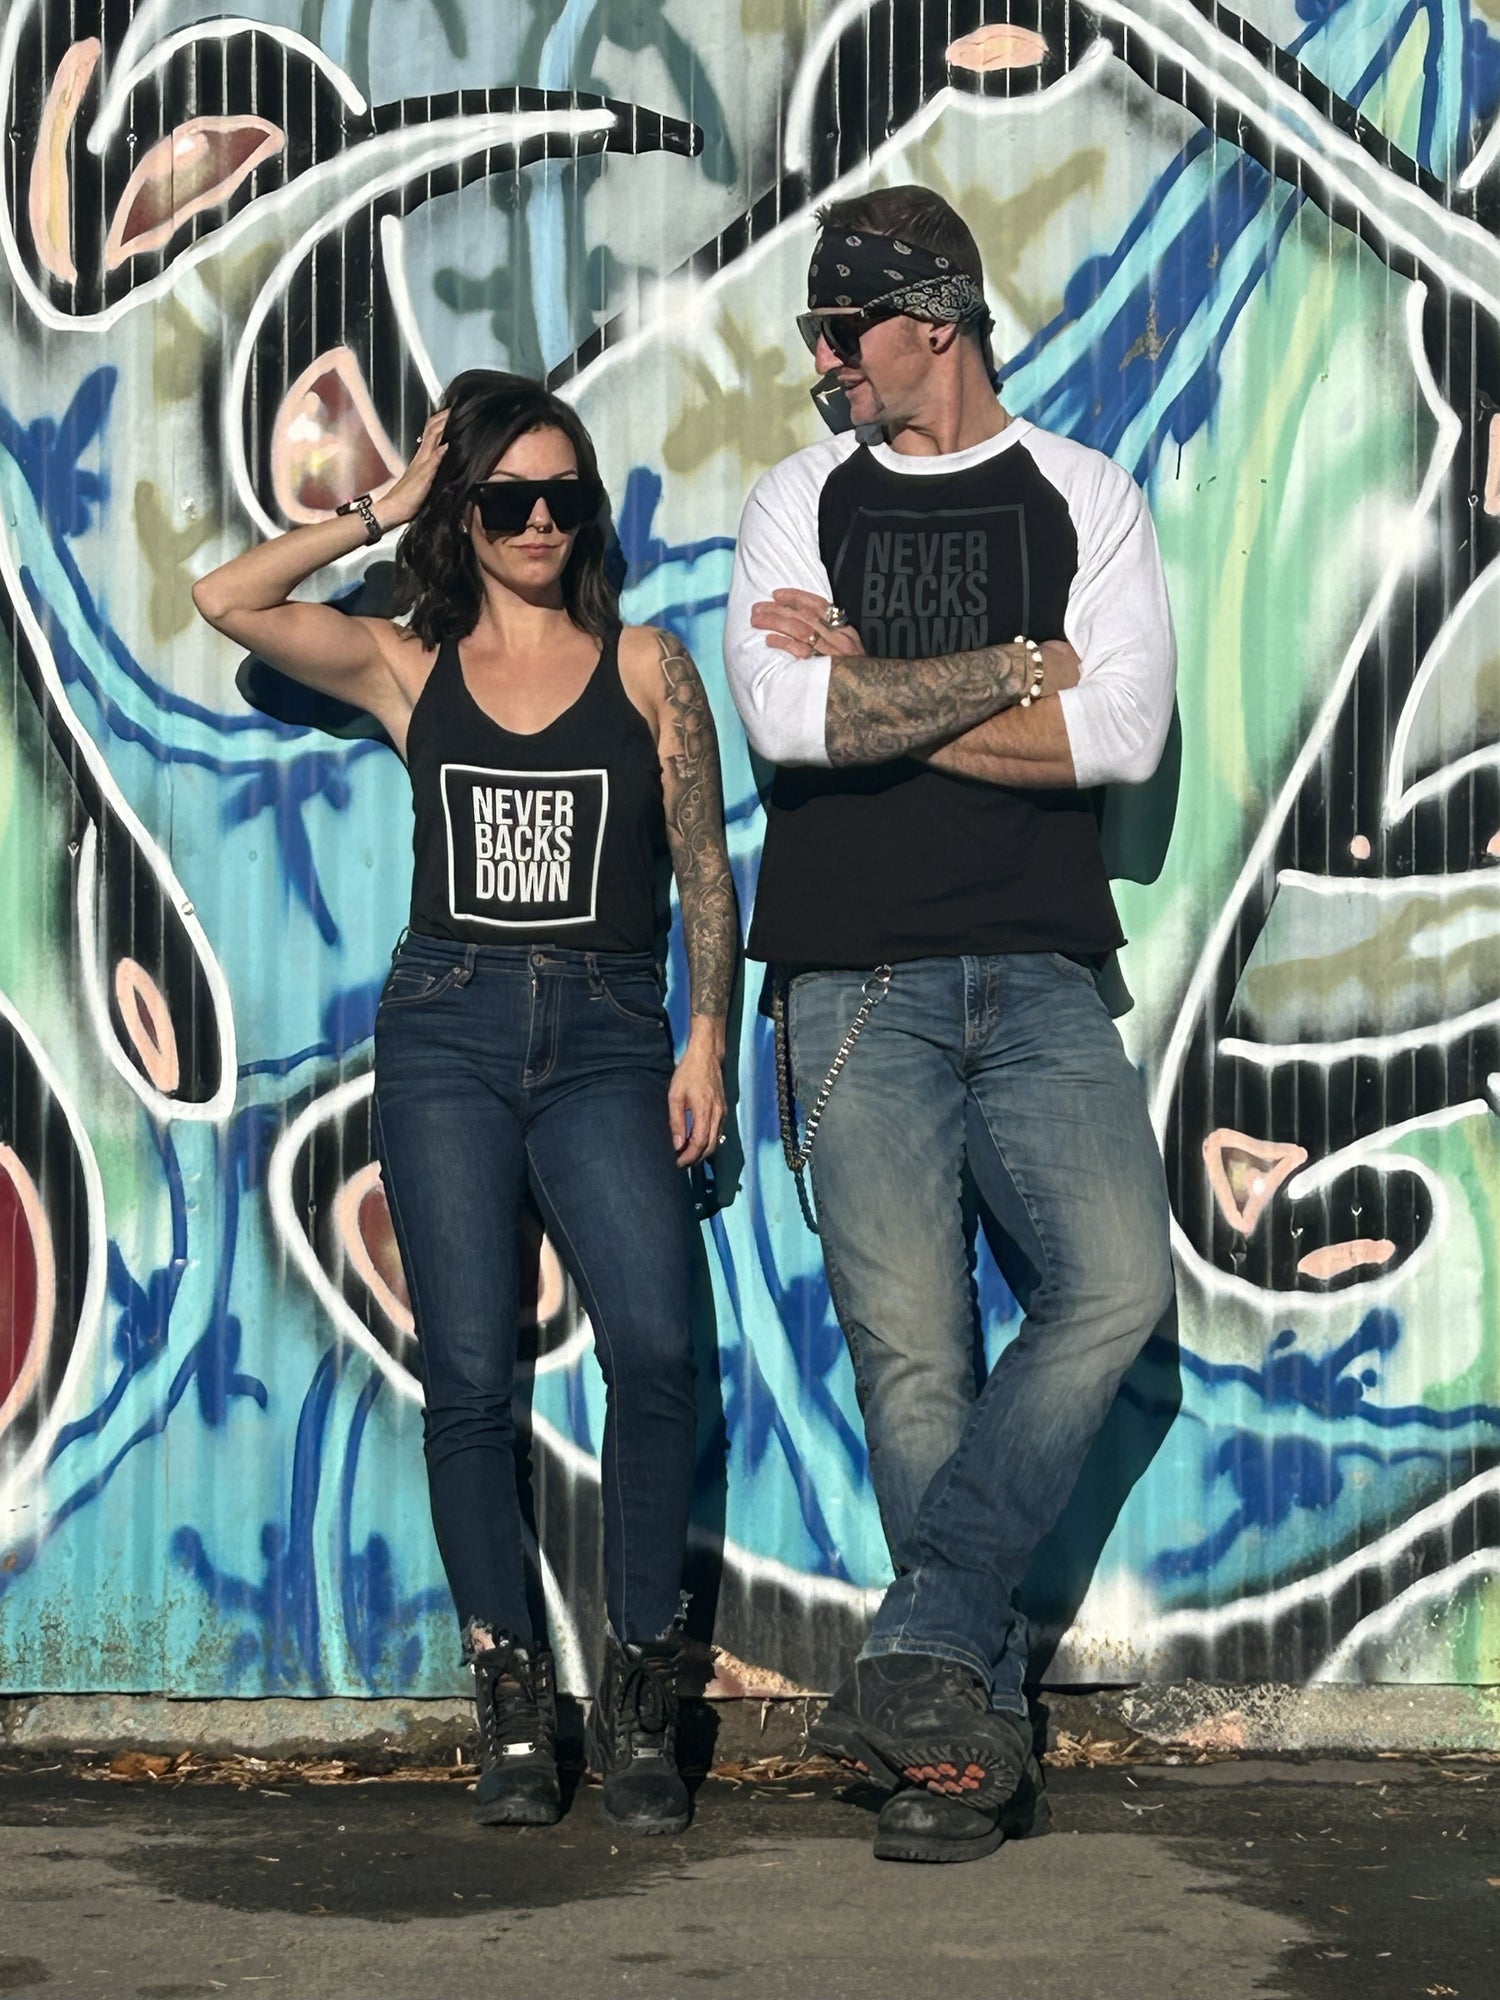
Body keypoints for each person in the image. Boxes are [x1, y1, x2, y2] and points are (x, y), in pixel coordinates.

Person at [194, 371, 736, 1836]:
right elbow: (226, 599)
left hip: (613, 1037)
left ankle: (639, 1698)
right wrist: (386, 506)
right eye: (508, 500)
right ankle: (509, 1698)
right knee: (470, 1382)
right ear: (469, 516)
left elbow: (703, 871)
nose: (540, 521)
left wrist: (705, 1044)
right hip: (448, 1031)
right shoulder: (408, 669)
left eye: (564, 496)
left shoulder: (648, 668)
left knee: (658, 1350)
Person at [723, 187, 1177, 1865]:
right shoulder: (800, 500)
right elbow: (792, 717)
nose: (824, 363)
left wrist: (886, 682)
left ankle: (924, 1639)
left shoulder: (1085, 494)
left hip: (1043, 968)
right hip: (851, 979)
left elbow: (1122, 735)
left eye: (839, 330)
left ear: (931, 323)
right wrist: (1014, 670)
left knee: (1117, 1286)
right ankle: (955, 1758)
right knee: (915, 1360)